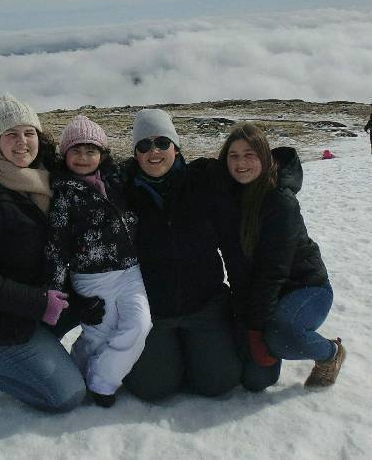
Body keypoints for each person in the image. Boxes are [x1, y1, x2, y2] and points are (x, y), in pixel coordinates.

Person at [0, 94, 105, 411]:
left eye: (29, 132)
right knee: (67, 394)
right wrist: (39, 303)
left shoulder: (47, 182)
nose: (22, 142)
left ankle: (28, 354)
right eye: (11, 134)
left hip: (33, 305)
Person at [121, 108, 243, 401]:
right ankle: (173, 354)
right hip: (154, 312)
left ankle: (195, 351)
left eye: (162, 142)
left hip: (204, 305)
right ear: (136, 154)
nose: (154, 152)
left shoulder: (205, 181)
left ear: (175, 147)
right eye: (144, 145)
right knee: (152, 388)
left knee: (219, 382)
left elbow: (252, 171)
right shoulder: (122, 190)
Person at [218, 123, 346, 389]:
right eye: (234, 156)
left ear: (264, 157)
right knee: (255, 380)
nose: (241, 163)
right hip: (263, 295)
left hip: (306, 287)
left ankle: (330, 353)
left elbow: (272, 272)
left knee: (281, 335)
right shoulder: (228, 198)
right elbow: (236, 266)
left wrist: (255, 330)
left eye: (249, 155)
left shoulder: (280, 202)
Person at [45, 115, 152, 408]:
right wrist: (55, 290)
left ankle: (103, 380)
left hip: (130, 272)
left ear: (102, 154)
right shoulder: (63, 193)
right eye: (76, 151)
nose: (83, 157)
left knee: (139, 325)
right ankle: (75, 375)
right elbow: (56, 245)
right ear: (65, 154)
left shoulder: (117, 181)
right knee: (98, 334)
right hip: (91, 276)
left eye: (90, 150)